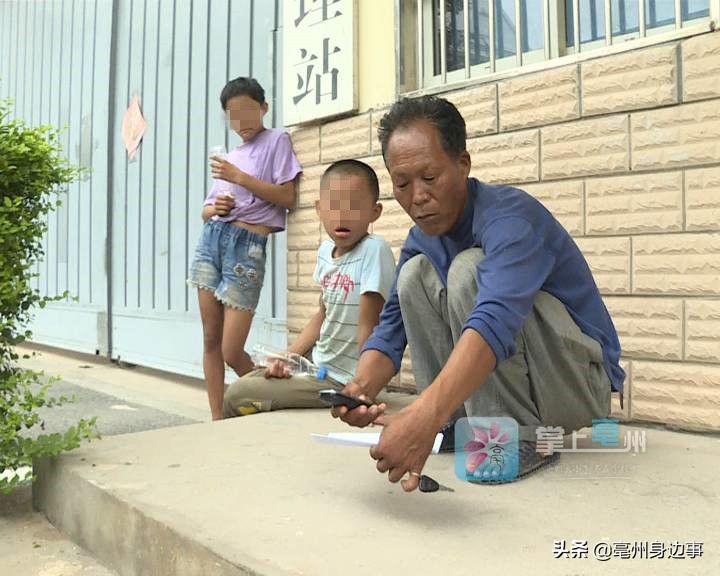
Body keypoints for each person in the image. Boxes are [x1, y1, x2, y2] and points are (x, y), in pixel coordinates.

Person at [333, 95, 625, 491]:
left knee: (469, 268)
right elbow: (390, 329)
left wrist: (423, 415)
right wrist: (360, 390)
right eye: (402, 184)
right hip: (534, 377)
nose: (417, 196)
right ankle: (458, 423)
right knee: (414, 276)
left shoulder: (510, 219)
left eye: (430, 178)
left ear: (463, 164)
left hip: (576, 386)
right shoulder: (422, 240)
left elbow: (494, 322)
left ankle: (514, 437)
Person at [223, 159, 397, 418]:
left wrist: (361, 386)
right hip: (317, 367)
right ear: (319, 209)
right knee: (257, 375)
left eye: (355, 207)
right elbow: (323, 315)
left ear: (375, 212)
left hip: (342, 381)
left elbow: (369, 325)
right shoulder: (326, 251)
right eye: (333, 206)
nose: (342, 216)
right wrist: (288, 357)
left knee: (237, 395)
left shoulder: (374, 249)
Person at [188, 77, 302, 420]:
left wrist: (239, 178)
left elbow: (287, 197)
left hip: (248, 247)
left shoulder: (277, 140)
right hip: (212, 242)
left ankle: (269, 404)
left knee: (231, 349)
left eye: (248, 112)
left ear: (264, 107)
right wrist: (215, 208)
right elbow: (206, 211)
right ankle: (217, 420)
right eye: (233, 116)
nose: (242, 123)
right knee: (210, 339)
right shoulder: (229, 157)